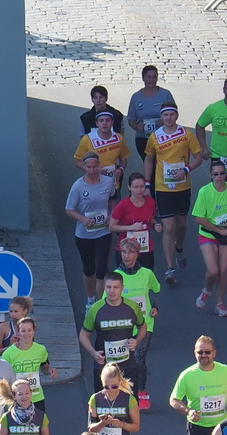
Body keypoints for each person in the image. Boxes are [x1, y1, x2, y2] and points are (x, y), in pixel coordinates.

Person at [144, 103, 203, 285]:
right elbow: (149, 158)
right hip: (163, 188)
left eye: (172, 115)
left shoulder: (186, 134)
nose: (168, 118)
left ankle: (179, 247)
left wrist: (186, 169)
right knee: (168, 227)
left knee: (181, 225)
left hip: (183, 187)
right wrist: (147, 183)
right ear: (161, 117)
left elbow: (198, 157)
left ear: (176, 116)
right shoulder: (155, 137)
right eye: (165, 115)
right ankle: (170, 269)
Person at [192, 160, 227, 315]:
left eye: (222, 173)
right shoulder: (205, 192)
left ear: (226, 174)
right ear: (210, 175)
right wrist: (218, 230)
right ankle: (207, 290)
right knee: (213, 270)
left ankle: (220, 303)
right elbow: (198, 218)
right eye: (215, 174)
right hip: (208, 233)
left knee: (223, 271)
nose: (219, 177)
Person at [79, 272, 145, 395]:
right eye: (108, 287)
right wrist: (93, 353)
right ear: (104, 287)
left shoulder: (132, 307)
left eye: (116, 287)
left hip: (127, 366)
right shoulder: (96, 308)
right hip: (103, 367)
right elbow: (83, 334)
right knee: (103, 408)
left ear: (122, 288)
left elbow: (143, 327)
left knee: (130, 408)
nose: (112, 291)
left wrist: (137, 340)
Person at [65, 152, 117, 304]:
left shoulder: (108, 182)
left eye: (95, 167)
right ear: (84, 167)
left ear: (99, 166)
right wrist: (83, 219)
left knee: (101, 270)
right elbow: (69, 209)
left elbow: (113, 199)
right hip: (84, 235)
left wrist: (112, 214)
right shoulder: (78, 186)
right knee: (89, 269)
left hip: (103, 232)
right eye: (89, 167)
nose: (92, 170)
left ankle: (100, 304)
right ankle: (90, 299)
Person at [114, 236, 161, 409]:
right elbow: (106, 300)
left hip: (144, 325)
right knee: (125, 360)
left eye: (131, 252)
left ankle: (141, 391)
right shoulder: (115, 276)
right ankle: (124, 391)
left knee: (139, 359)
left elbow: (156, 290)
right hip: (122, 326)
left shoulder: (147, 274)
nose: (127, 256)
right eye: (124, 252)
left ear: (137, 254)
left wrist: (155, 306)